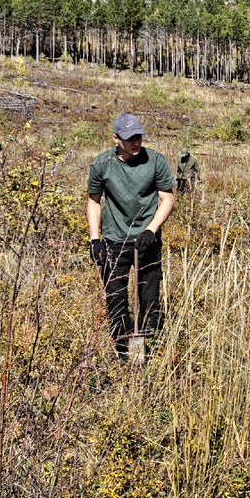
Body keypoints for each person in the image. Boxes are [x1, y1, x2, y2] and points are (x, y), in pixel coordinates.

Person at [87, 112, 176, 366]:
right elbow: (94, 202)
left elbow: (167, 198)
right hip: (114, 241)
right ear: (116, 138)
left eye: (138, 136)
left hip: (147, 241)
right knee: (115, 299)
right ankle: (124, 354)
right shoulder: (101, 164)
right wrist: (95, 239)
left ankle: (150, 352)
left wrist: (151, 229)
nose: (136, 142)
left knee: (149, 299)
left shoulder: (155, 161)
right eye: (129, 138)